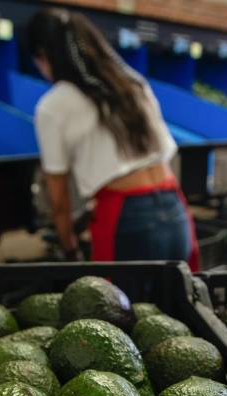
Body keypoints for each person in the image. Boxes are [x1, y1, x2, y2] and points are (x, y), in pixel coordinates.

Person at [27, 8, 197, 267]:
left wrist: (69, 249)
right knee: (173, 303)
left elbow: (59, 201)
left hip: (126, 216)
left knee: (121, 306)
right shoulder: (131, 83)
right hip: (174, 208)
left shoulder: (53, 105)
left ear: (43, 55)